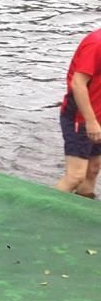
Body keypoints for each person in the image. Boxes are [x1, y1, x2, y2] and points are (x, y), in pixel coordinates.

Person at [56, 29, 101, 196]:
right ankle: (45, 213)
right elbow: (78, 83)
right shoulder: (97, 43)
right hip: (81, 117)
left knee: (93, 169)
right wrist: (91, 121)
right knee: (75, 176)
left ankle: (82, 212)